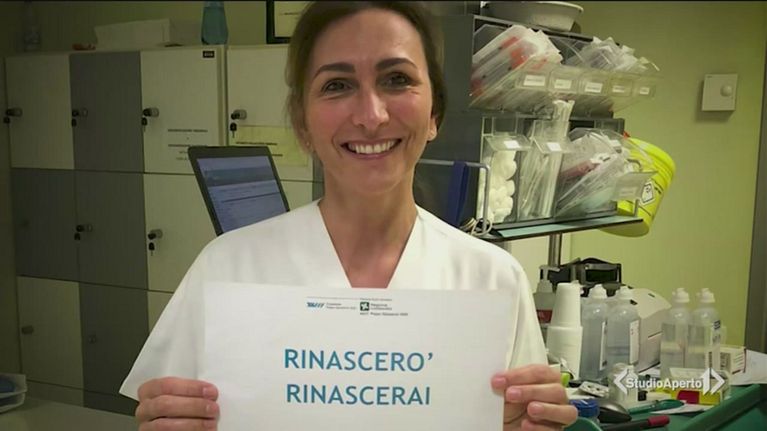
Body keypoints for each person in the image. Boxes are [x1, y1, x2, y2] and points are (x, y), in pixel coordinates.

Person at [121, 2, 577, 430]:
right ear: (302, 123)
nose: (371, 116)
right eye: (337, 85)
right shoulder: (227, 269)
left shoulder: (493, 280)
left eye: (397, 79)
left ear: (434, 113)